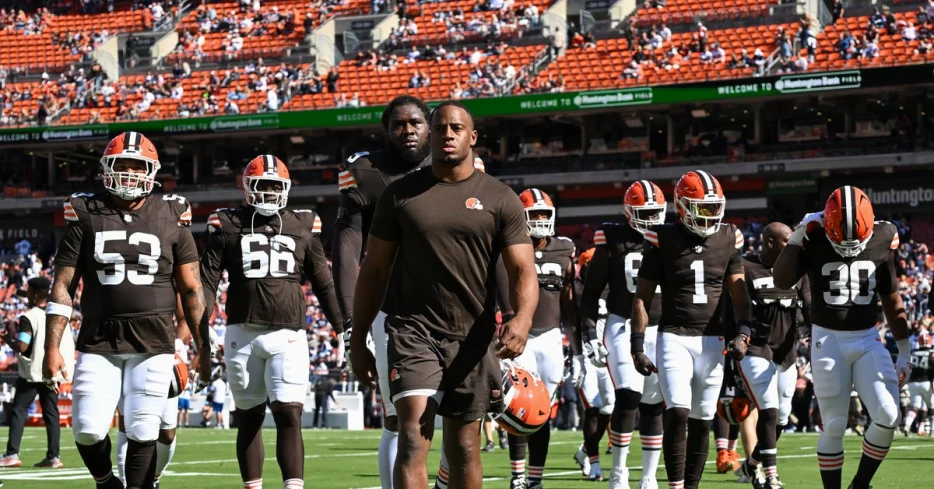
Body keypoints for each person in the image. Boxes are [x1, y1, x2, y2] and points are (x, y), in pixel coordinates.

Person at [349, 101, 538, 489]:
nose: (447, 135)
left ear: (473, 137)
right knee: (412, 438)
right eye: (439, 129)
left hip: (474, 335)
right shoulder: (399, 196)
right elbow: (374, 270)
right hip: (411, 330)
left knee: (465, 446)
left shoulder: (501, 197)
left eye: (456, 128)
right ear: (430, 136)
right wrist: (358, 338)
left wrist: (521, 319)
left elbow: (522, 269)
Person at [42, 131, 210, 489]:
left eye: (139, 167)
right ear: (107, 168)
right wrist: (52, 346)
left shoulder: (171, 212)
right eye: (123, 166)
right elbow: (63, 284)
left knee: (143, 429)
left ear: (152, 172)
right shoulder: (85, 211)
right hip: (98, 337)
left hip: (153, 340)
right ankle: (106, 482)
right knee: (87, 429)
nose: (131, 174)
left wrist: (203, 347)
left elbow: (192, 290)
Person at [199, 154, 343, 489]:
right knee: (249, 418)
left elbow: (324, 282)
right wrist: (201, 324)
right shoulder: (227, 222)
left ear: (286, 189)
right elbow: (207, 280)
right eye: (262, 185)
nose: (268, 193)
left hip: (288, 334)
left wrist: (343, 328)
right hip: (241, 332)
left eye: (274, 186)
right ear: (247, 187)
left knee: (289, 413)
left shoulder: (303, 223)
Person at [773, 185, 911, 489]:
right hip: (828, 340)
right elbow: (781, 280)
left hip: (866, 338)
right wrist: (798, 236)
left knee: (889, 414)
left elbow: (892, 298)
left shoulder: (884, 235)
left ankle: (860, 484)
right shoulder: (814, 235)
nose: (849, 246)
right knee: (834, 424)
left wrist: (904, 352)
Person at [630, 170, 753, 489]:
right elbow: (642, 297)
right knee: (679, 413)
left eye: (714, 207)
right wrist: (637, 345)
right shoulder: (661, 237)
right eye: (703, 207)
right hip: (674, 337)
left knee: (702, 419)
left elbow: (739, 293)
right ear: (682, 207)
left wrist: (744, 331)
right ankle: (674, 485)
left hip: (713, 340)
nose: (710, 215)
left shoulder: (729, 236)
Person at [332, 95, 432, 489]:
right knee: (400, 418)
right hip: (394, 307)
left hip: (454, 304)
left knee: (463, 419)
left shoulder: (457, 163)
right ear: (386, 131)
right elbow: (347, 242)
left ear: (430, 126)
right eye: (398, 124)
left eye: (415, 123)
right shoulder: (365, 171)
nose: (408, 130)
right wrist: (349, 320)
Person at [581, 180, 667, 489]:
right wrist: (590, 333)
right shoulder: (613, 239)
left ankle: (649, 477)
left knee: (654, 403)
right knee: (628, 394)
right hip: (621, 323)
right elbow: (590, 292)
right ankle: (618, 473)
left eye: (656, 211)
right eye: (644, 211)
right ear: (628, 212)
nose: (651, 218)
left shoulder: (668, 238)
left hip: (661, 326)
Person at [504, 188, 579, 489]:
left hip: (550, 336)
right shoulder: (509, 245)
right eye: (533, 214)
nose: (539, 220)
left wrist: (578, 345)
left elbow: (569, 299)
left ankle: (534, 479)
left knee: (541, 412)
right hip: (519, 336)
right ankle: (518, 477)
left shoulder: (564, 248)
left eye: (543, 214)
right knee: (519, 408)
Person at [729, 222, 811, 489]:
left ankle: (751, 465)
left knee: (782, 418)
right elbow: (733, 307)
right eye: (788, 241)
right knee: (769, 408)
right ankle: (771, 475)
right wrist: (735, 339)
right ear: (771, 243)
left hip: (786, 351)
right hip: (755, 347)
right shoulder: (745, 267)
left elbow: (809, 306)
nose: (793, 246)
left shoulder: (798, 271)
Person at [0, 277, 74, 471]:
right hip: (53, 372)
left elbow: (22, 346)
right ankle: (53, 456)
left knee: (18, 410)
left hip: (33, 371)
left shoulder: (29, 317)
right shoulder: (59, 314)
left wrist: (7, 337)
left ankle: (11, 454)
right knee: (51, 413)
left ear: (32, 293)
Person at [117, 297, 191, 488]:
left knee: (166, 433)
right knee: (128, 426)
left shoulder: (169, 273)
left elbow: (185, 320)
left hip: (162, 353)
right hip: (126, 351)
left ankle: (155, 477)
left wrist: (177, 344)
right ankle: (127, 484)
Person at [572, 249, 615, 482]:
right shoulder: (576, 290)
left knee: (608, 408)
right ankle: (595, 465)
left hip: (607, 355)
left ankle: (586, 452)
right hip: (586, 357)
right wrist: (576, 355)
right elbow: (571, 323)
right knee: (592, 409)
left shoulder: (614, 289)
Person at [904, 343, 934, 435]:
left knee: (914, 406)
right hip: (925, 382)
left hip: (913, 382)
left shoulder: (913, 353)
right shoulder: (930, 353)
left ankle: (907, 425)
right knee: (932, 406)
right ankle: (932, 430)